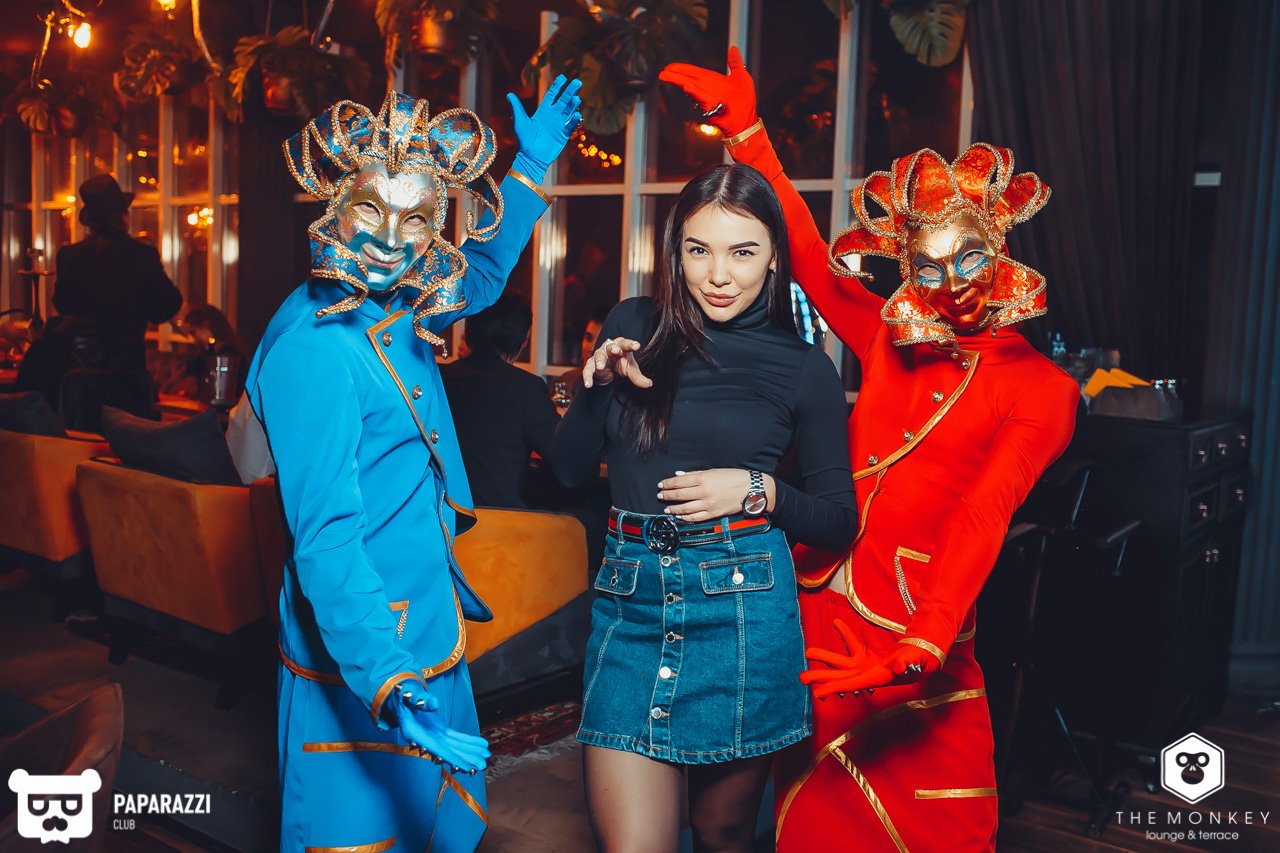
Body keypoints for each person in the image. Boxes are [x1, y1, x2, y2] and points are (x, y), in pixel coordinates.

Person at [662, 50, 1079, 852]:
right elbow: (813, 264)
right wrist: (748, 136)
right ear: (909, 266)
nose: (954, 285)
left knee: (943, 824)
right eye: (930, 267)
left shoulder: (1043, 389)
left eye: (971, 259)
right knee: (810, 819)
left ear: (1002, 251)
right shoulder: (892, 336)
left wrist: (924, 640)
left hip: (917, 628)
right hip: (815, 609)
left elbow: (984, 512)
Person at [244, 80, 580, 852]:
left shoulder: (401, 299)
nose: (391, 241)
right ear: (335, 204)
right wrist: (388, 680)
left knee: (434, 825)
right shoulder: (314, 348)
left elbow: (480, 276)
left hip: (429, 617)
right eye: (371, 210)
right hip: (365, 645)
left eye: (418, 219)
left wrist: (529, 169)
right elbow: (326, 541)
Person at [551, 163, 857, 853]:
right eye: (699, 250)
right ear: (675, 251)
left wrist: (758, 490)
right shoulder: (633, 324)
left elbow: (840, 519)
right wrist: (595, 385)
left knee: (723, 835)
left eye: (742, 252)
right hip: (630, 602)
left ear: (773, 256)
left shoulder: (805, 367)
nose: (719, 275)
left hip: (742, 609)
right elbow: (567, 472)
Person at [52, 174, 183, 374]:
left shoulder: (69, 255)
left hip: (79, 367)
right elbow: (167, 305)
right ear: (123, 216)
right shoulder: (140, 254)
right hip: (126, 367)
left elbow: (62, 304)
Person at [442, 292, 560, 508]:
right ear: (525, 339)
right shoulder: (526, 389)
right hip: (498, 520)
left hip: (437, 515)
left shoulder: (439, 378)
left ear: (468, 333)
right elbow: (566, 460)